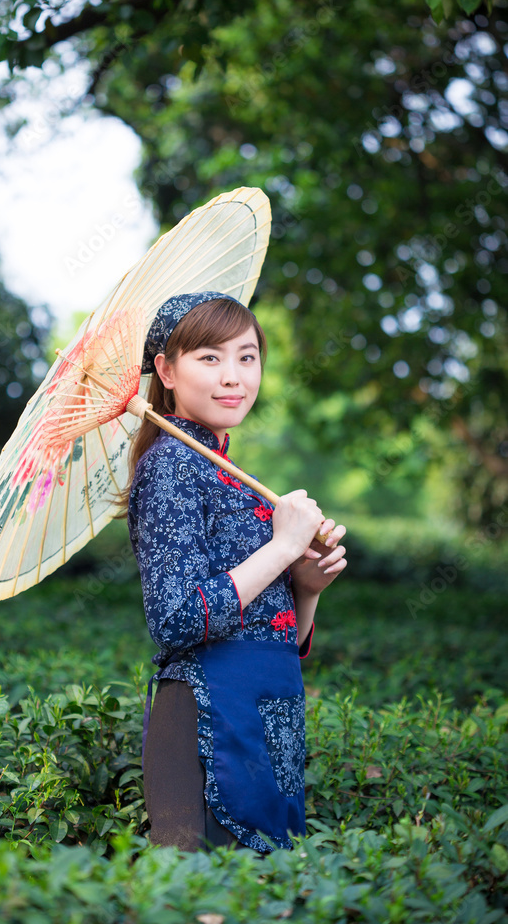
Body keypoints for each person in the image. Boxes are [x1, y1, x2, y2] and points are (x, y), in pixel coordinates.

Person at [123, 291, 347, 853]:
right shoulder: (171, 466)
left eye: (247, 357)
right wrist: (283, 545)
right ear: (167, 371)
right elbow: (175, 619)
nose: (233, 376)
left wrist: (307, 585)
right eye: (209, 357)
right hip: (208, 716)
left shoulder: (225, 470)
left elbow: (276, 639)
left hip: (265, 717)